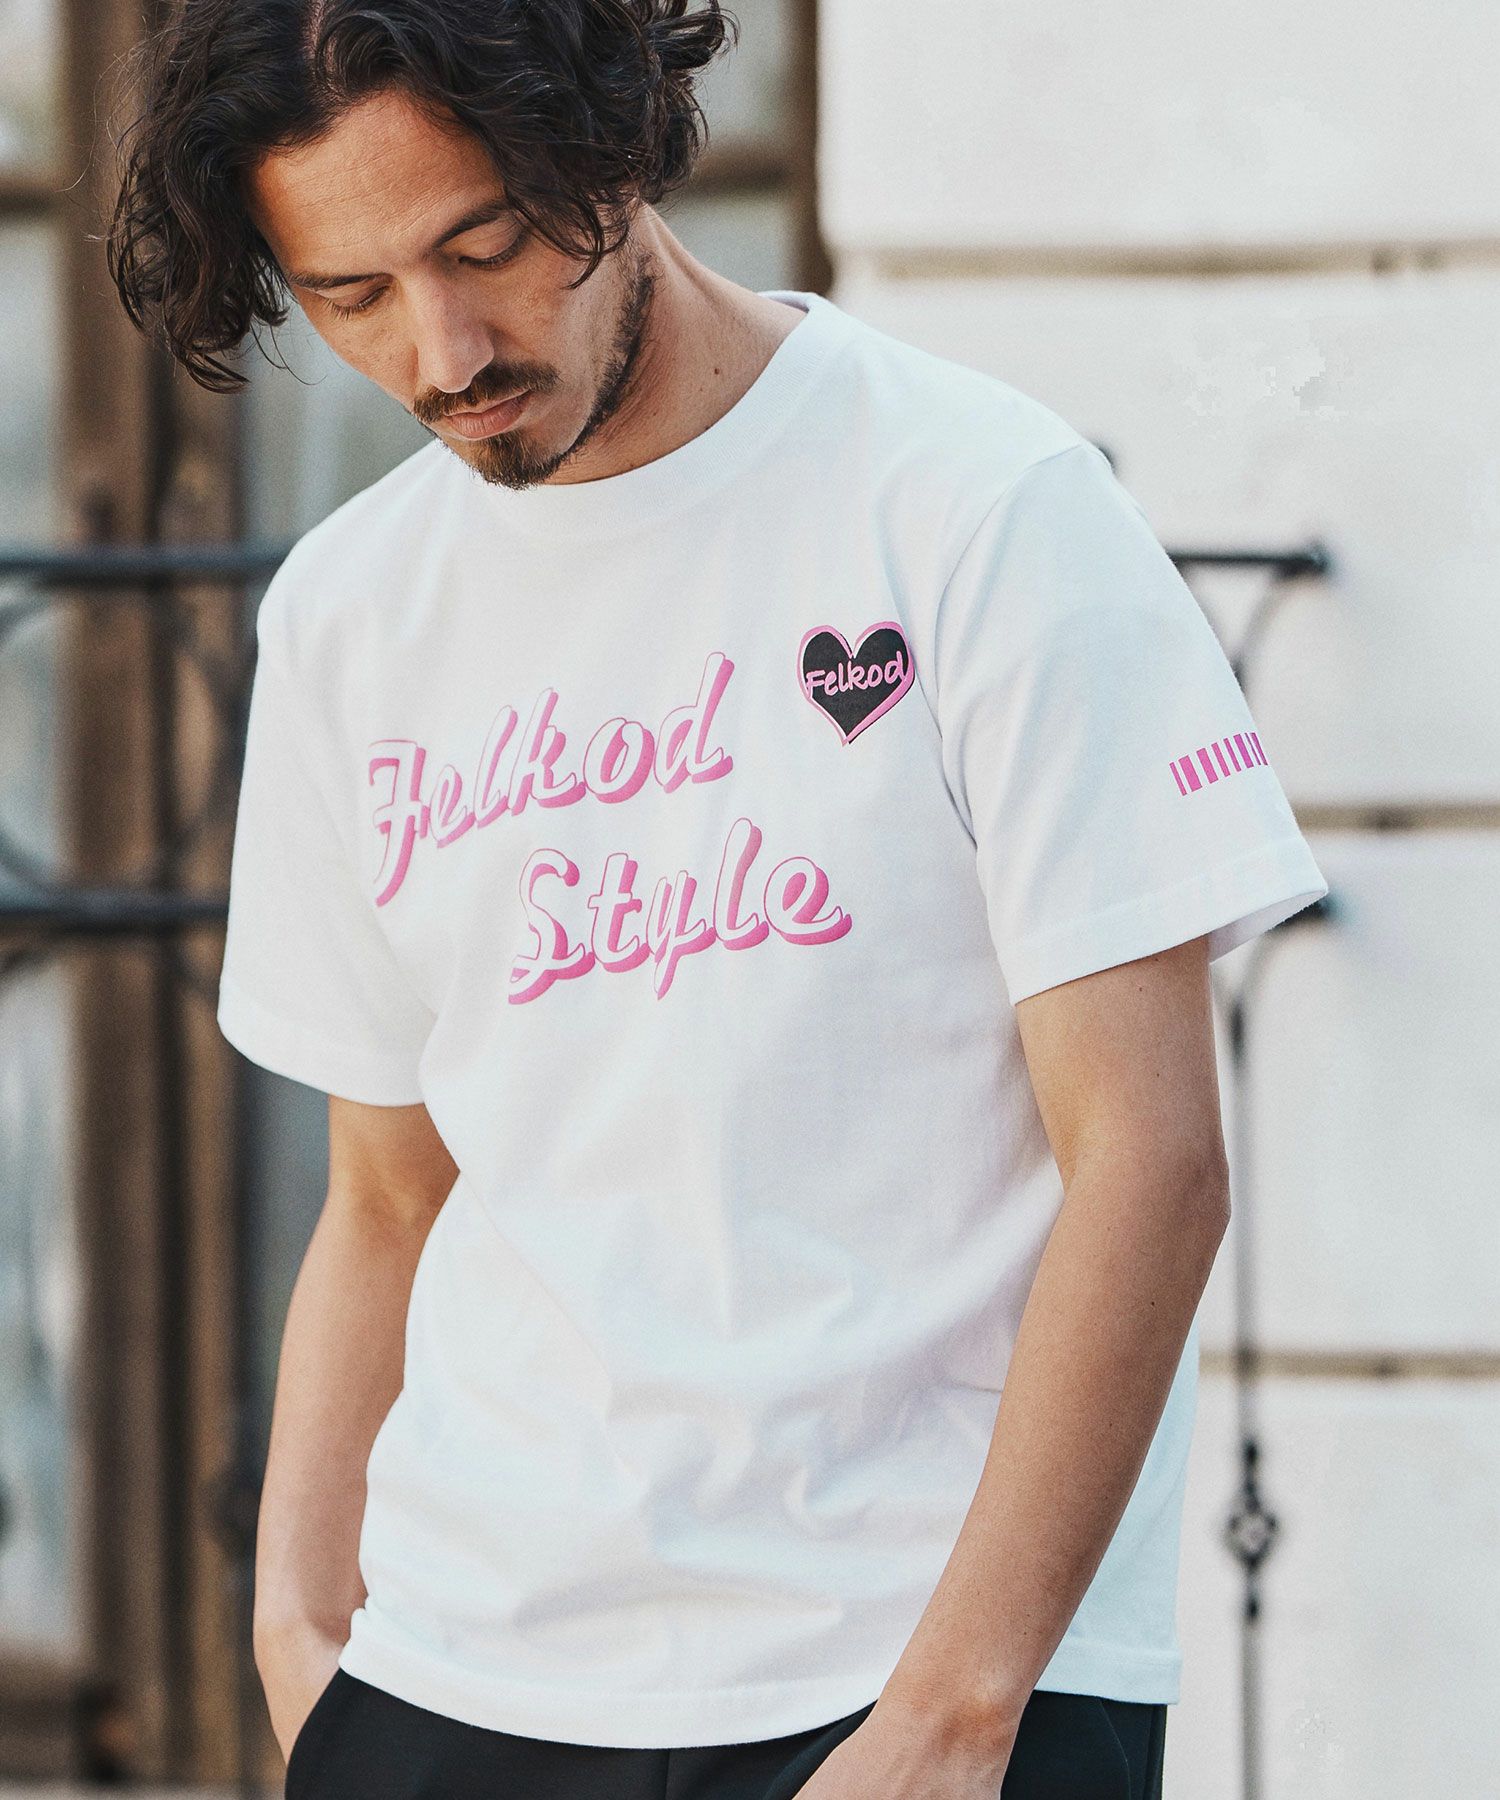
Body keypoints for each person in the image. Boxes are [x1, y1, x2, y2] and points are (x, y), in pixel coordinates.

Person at [106, 3, 1329, 1796]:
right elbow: (386, 1192)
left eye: (485, 247)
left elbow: (1150, 1162)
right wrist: (301, 1627)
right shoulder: (353, 612)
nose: (444, 351)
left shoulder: (982, 512)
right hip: (460, 1678)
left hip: (914, 1681)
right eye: (352, 295)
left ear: (612, 145)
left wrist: (954, 1717)